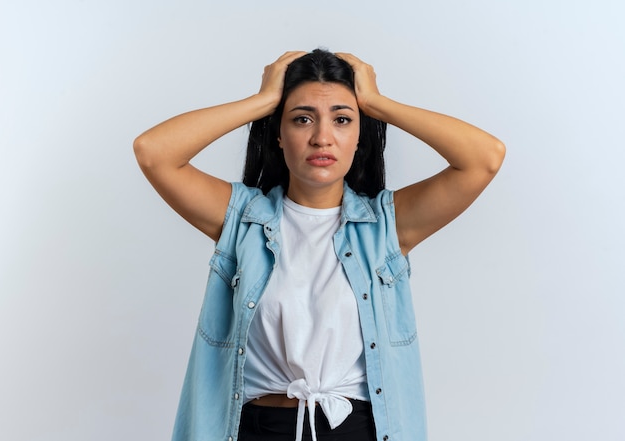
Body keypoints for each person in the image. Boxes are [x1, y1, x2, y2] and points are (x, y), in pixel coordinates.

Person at [133, 49, 505, 441]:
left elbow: (485, 158)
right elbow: (153, 152)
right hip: (255, 428)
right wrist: (262, 102)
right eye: (302, 119)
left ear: (359, 135)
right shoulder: (241, 219)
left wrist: (377, 103)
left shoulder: (385, 226)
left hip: (356, 429)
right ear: (279, 133)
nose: (322, 137)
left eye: (342, 119)